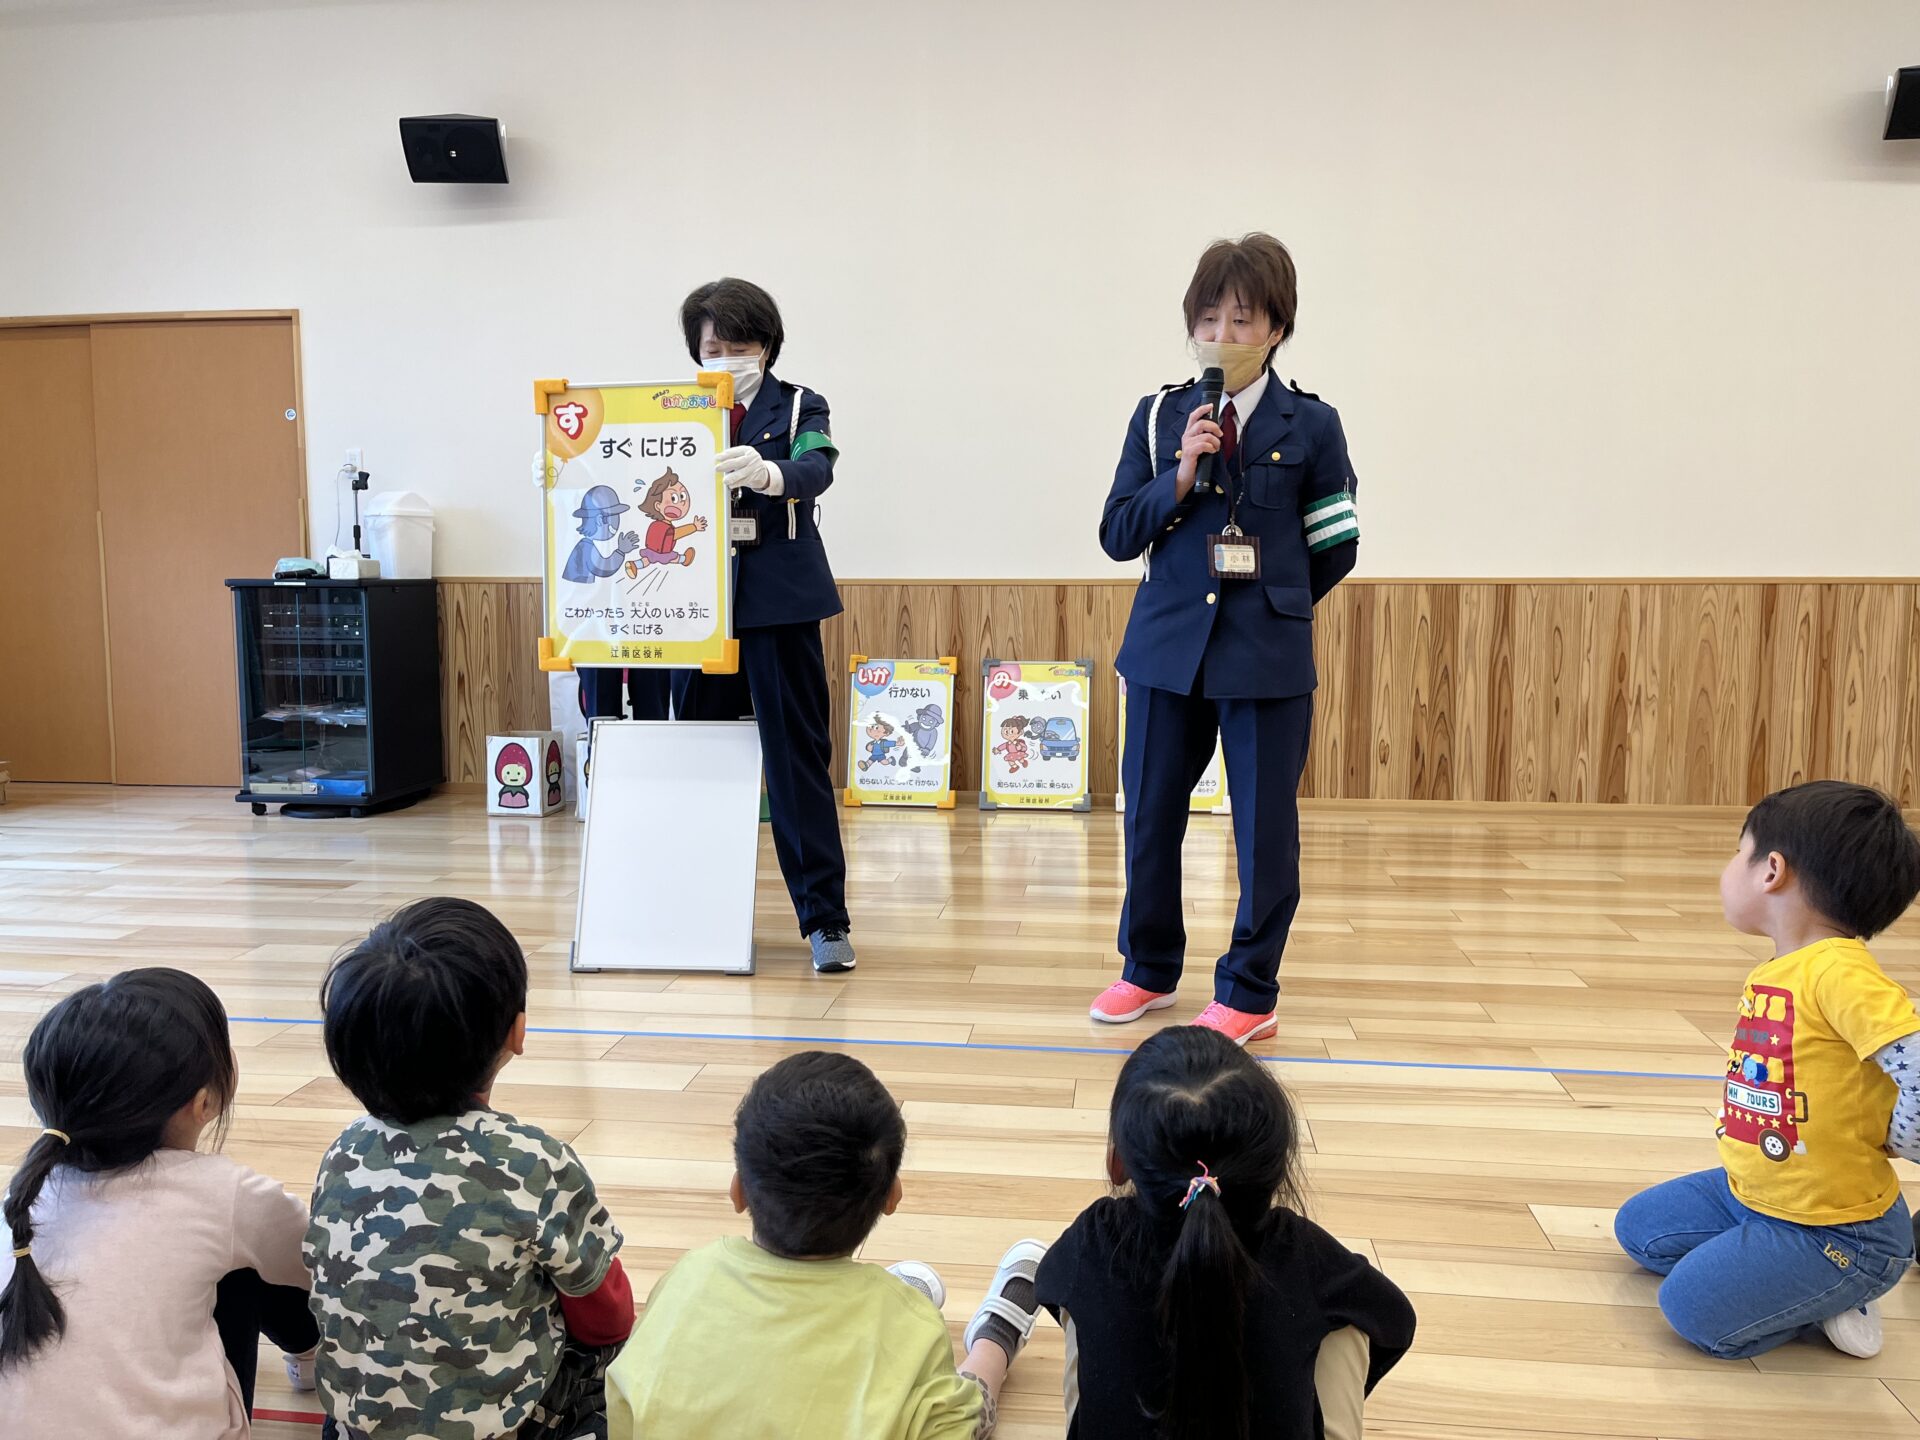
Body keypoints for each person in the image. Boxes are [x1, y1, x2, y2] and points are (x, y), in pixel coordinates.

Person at [1089, 232, 1361, 1046]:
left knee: (1264, 831)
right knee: (1150, 819)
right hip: (1165, 651)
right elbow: (1116, 534)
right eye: (1208, 319)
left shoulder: (1313, 424)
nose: (1222, 336)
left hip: (1266, 658)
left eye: (1241, 320)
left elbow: (1336, 544)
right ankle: (1147, 967)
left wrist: (1274, 610)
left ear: (1276, 328)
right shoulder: (1158, 416)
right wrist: (1179, 475)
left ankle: (1250, 989)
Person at [306, 897, 634, 1439]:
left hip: (356, 1428)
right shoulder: (534, 1162)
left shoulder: (344, 1150)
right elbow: (607, 1317)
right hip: (510, 1429)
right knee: (615, 1358)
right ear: (517, 1032)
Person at [1615, 781, 1920, 1360]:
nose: (1730, 867)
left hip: (1838, 1230)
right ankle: (1787, 1274)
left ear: (1772, 870)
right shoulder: (1790, 967)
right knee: (1642, 1231)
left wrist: (1902, 1137)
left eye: (1740, 852)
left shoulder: (1840, 973)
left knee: (1692, 1309)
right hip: (1756, 1191)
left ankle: (1841, 1289)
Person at [607, 1051, 1046, 1439]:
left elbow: (625, 1406)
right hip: (897, 1337)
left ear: (737, 1191)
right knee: (963, 1406)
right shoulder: (914, 1325)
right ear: (892, 1196)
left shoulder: (684, 1280)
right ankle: (993, 1344)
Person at [1035, 1027, 1415, 1440]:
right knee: (1343, 1323)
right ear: (1274, 1170)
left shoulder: (1096, 1238)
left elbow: (1048, 1286)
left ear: (1117, 1163)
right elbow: (1394, 1320)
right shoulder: (1302, 1253)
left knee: (1081, 1303)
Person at [0, 969, 318, 1439]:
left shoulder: (22, 1198)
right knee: (248, 1259)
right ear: (205, 1102)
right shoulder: (225, 1193)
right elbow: (322, 1269)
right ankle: (309, 1357)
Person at [661, 278, 856, 973]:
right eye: (712, 347)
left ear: (767, 346)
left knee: (796, 760)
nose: (726, 358)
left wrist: (770, 474)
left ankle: (825, 921)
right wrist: (565, 470)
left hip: (780, 600)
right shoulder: (672, 410)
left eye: (739, 345)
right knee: (699, 757)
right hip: (695, 605)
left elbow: (816, 467)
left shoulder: (801, 403)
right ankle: (697, 909)